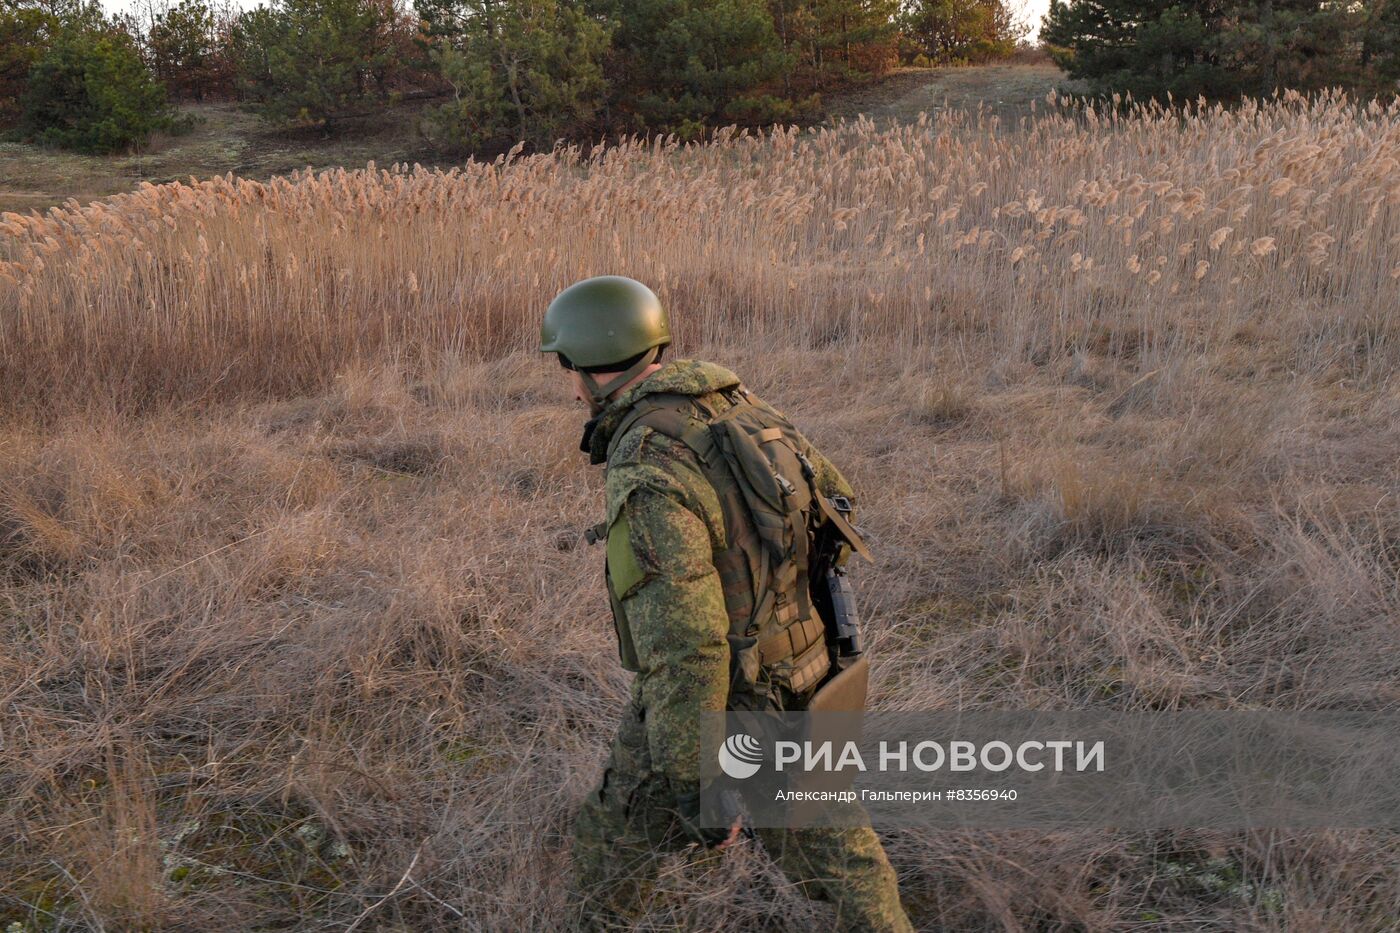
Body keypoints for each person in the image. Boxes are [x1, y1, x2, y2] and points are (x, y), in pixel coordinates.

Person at [543, 275, 913, 932]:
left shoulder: (649, 461)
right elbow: (837, 505)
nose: (566, 383)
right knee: (844, 858)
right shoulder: (743, 409)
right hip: (805, 673)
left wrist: (700, 784)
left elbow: (686, 646)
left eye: (565, 366)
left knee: (611, 851)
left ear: (592, 368)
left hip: (729, 701)